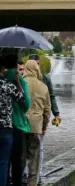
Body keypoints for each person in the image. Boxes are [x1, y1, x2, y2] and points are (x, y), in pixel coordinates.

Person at [28, 54, 61, 185]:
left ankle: (38, 174)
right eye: (34, 64)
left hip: (39, 119)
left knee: (39, 148)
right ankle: (29, 175)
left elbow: (51, 97)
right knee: (29, 149)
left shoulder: (45, 79)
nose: (36, 66)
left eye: (38, 63)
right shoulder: (22, 79)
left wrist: (56, 113)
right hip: (34, 120)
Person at [4, 54, 31, 186]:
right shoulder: (19, 81)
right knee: (17, 160)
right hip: (17, 124)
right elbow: (26, 104)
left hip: (2, 124)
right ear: (16, 65)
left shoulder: (3, 79)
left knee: (4, 160)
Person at [24, 60, 51, 186]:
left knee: (19, 158)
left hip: (20, 126)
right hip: (36, 127)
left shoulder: (19, 83)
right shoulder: (43, 86)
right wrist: (44, 127)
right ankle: (32, 183)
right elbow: (47, 110)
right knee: (34, 160)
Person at [0, 56, 25, 186]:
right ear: (3, 69)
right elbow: (22, 100)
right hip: (5, 128)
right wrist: (17, 82)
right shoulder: (8, 86)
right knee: (3, 163)